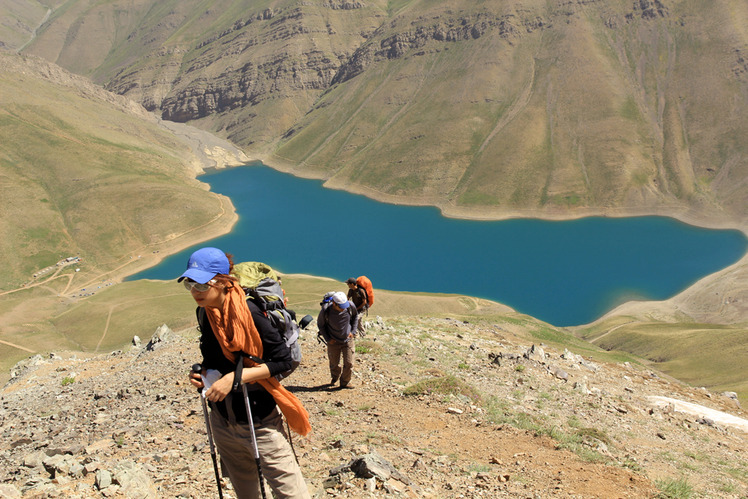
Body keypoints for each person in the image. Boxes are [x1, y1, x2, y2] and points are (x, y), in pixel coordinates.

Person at [182, 247, 311, 499]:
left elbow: (282, 361)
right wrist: (202, 375)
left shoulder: (249, 312)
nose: (195, 292)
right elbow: (212, 361)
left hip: (260, 422)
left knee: (292, 494)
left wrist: (234, 379)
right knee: (246, 494)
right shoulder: (206, 314)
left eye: (200, 285)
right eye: (190, 285)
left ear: (221, 282)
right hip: (222, 422)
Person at [317, 291, 358, 388]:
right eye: (341, 306)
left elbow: (355, 317)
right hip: (333, 341)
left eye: (344, 306)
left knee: (349, 363)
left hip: (347, 340)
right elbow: (321, 325)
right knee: (334, 363)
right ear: (334, 304)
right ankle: (335, 378)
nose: (343, 308)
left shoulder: (350, 306)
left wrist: (353, 331)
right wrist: (328, 339)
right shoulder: (326, 310)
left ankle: (345, 382)